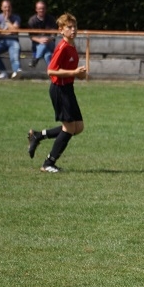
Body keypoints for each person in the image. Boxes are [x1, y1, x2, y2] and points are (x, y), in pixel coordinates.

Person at [26, 13, 87, 174]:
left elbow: (72, 71)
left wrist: (80, 74)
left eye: (74, 27)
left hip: (68, 89)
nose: (73, 30)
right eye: (69, 27)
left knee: (78, 127)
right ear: (61, 30)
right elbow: (51, 70)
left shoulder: (72, 46)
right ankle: (48, 163)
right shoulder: (62, 47)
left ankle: (38, 136)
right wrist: (74, 72)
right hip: (59, 90)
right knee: (69, 128)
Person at [0, 0, 22, 79]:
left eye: (9, 7)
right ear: (1, 8)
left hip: (13, 40)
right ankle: (3, 72)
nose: (7, 9)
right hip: (1, 41)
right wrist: (9, 31)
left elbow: (15, 31)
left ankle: (16, 71)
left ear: (11, 8)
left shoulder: (16, 18)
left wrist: (7, 20)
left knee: (16, 49)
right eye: (5, 7)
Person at [27, 1, 56, 68]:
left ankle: (36, 59)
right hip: (37, 44)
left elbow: (54, 34)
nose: (41, 10)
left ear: (45, 9)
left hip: (50, 42)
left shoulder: (51, 19)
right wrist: (40, 40)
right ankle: (52, 71)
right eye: (39, 9)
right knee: (47, 55)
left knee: (44, 43)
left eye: (43, 8)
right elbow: (31, 36)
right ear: (36, 9)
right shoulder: (32, 20)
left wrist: (48, 39)